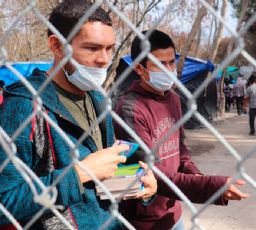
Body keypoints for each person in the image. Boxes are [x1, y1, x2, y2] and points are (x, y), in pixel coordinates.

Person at [0, 1, 157, 229]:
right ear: (57, 46)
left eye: (109, 48)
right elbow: (5, 204)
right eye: (92, 48)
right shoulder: (24, 107)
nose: (104, 59)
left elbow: (103, 175)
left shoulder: (99, 99)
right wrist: (79, 173)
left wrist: (140, 185)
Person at [114, 30, 249, 230]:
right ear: (140, 69)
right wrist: (212, 187)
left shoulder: (173, 99)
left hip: (173, 212)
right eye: (160, 64)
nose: (170, 70)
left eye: (171, 62)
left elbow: (179, 147)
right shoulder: (129, 109)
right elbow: (153, 171)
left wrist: (193, 172)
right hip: (144, 221)